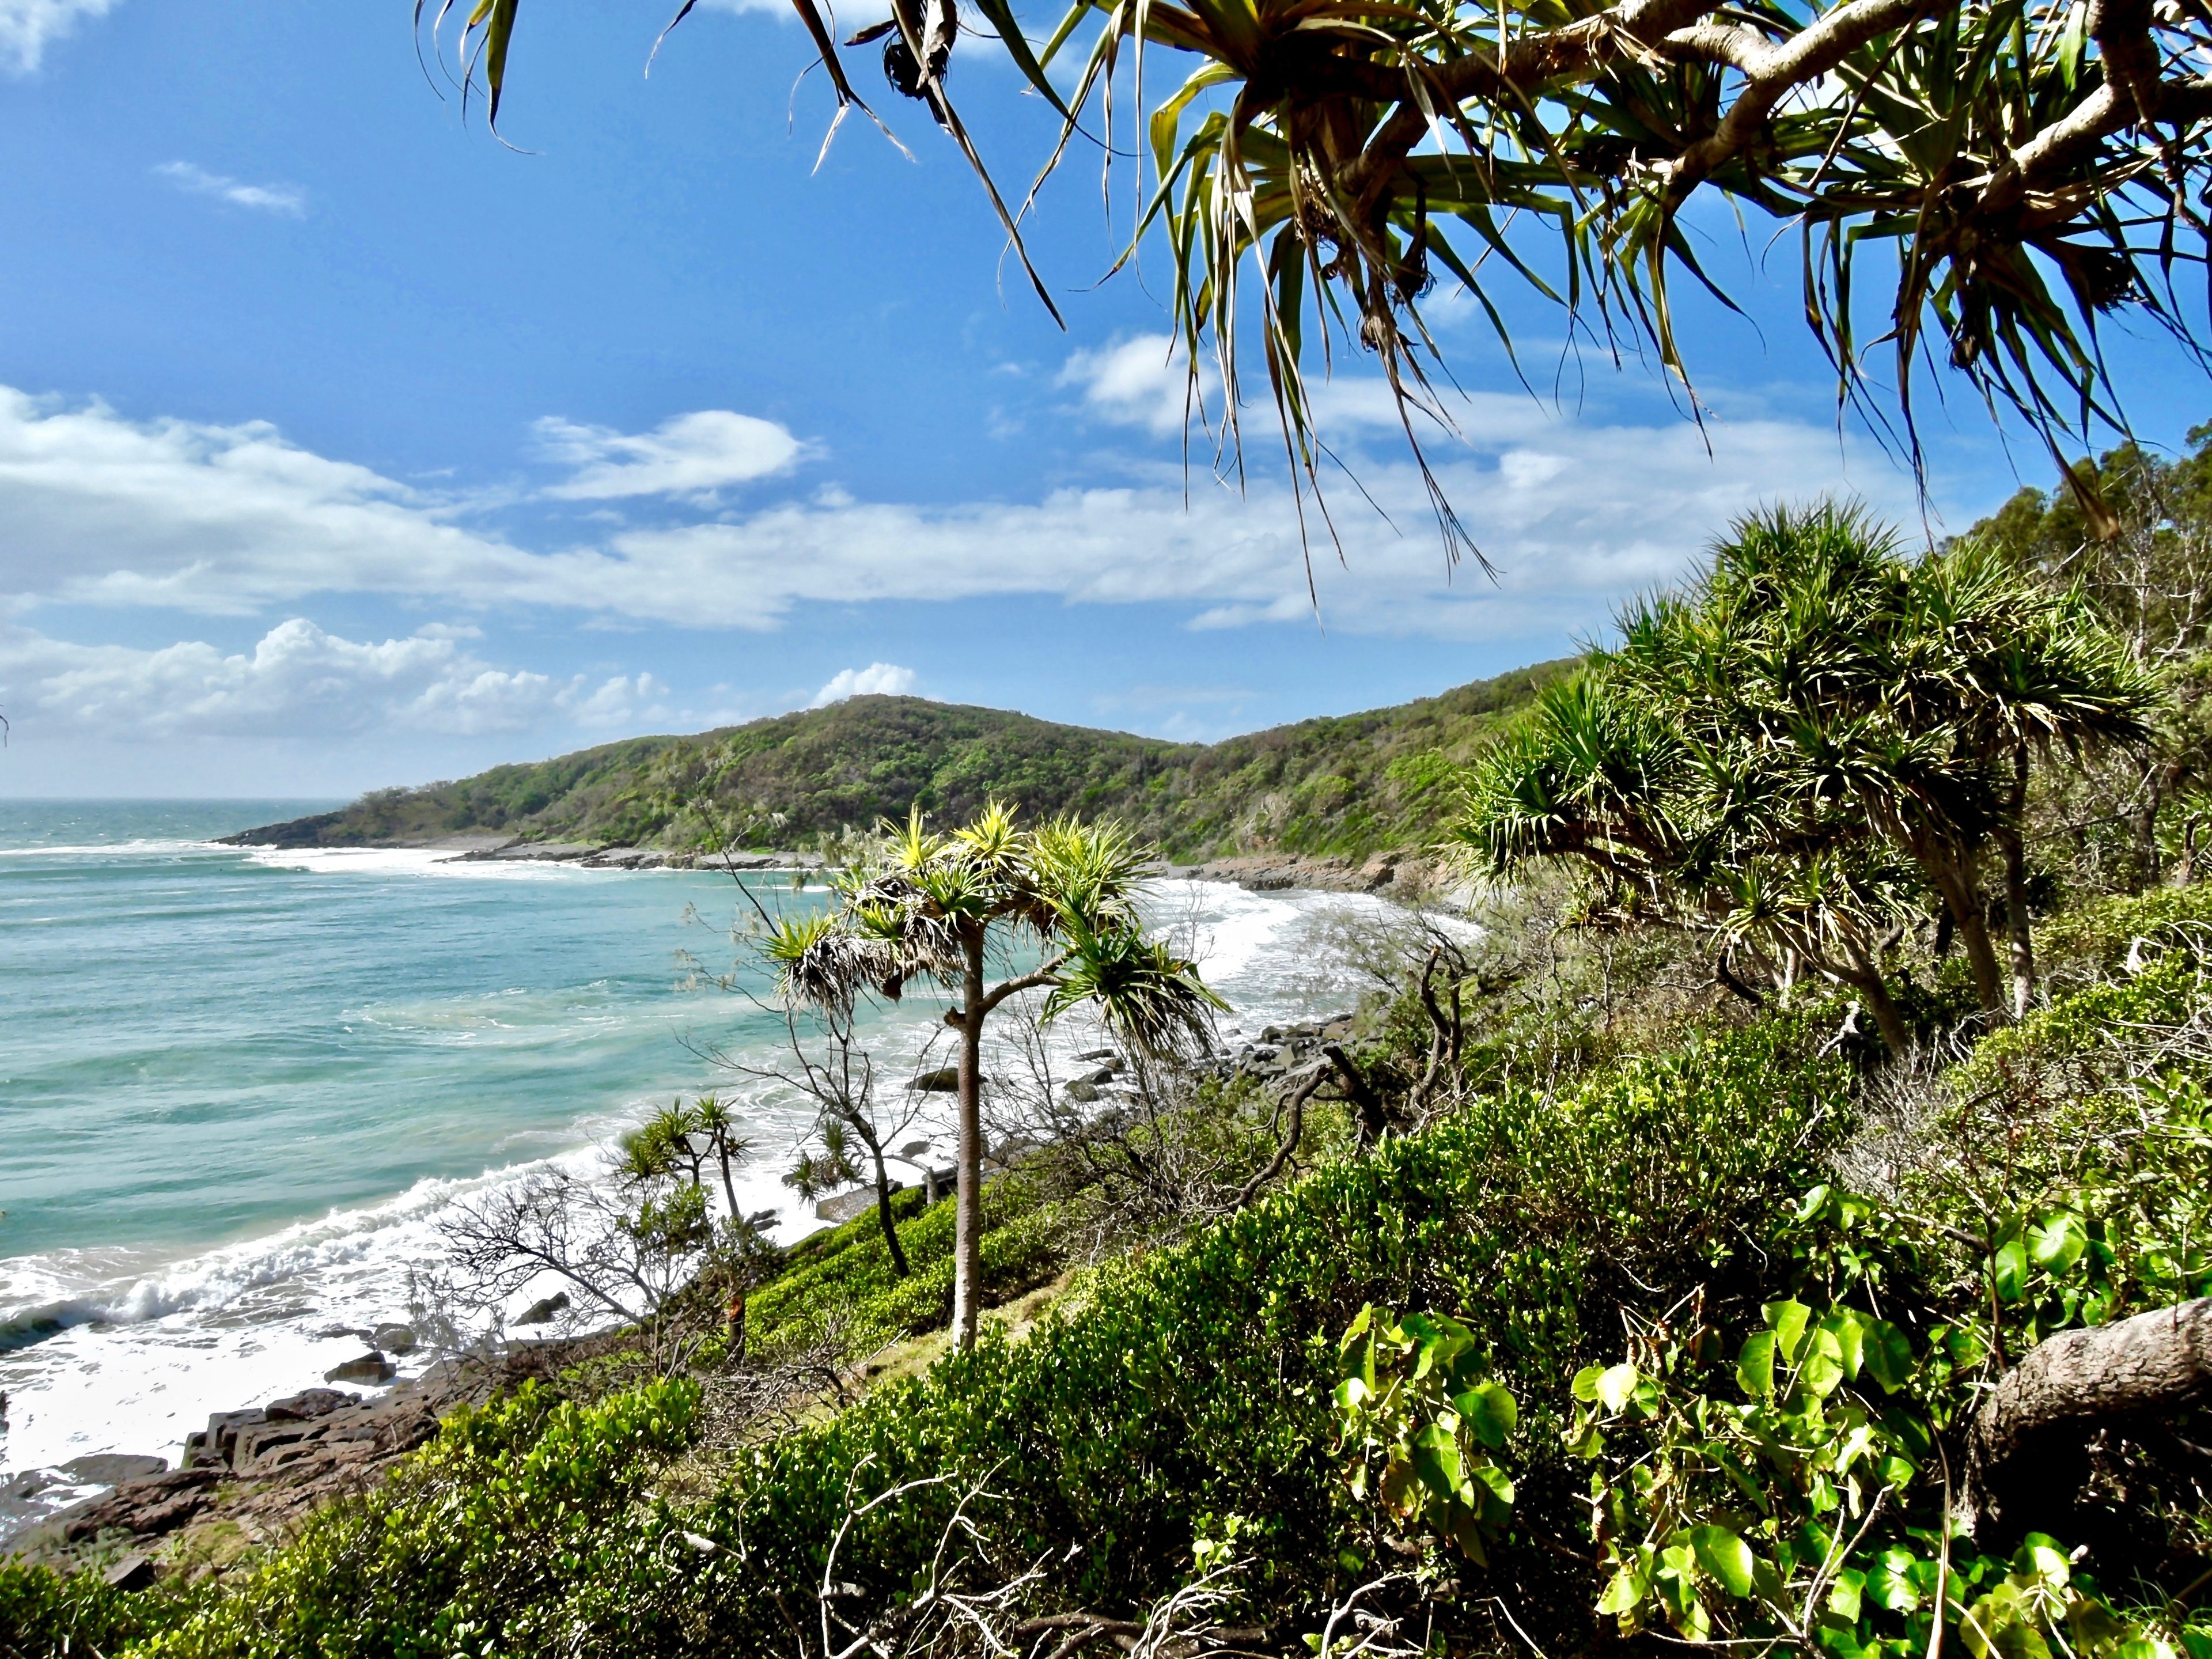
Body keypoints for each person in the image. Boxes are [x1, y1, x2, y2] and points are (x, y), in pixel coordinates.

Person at [722, 1287, 747, 1366]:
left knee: (737, 1350)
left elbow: (735, 1316)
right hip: (735, 1338)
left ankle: (738, 1366)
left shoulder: (739, 1303)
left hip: (737, 1337)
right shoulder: (737, 1303)